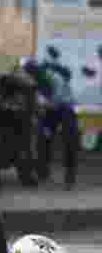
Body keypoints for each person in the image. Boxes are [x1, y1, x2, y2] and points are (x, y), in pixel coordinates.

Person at [28, 47, 81, 189]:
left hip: (65, 108)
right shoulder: (34, 82)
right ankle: (42, 172)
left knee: (70, 137)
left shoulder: (54, 75)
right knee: (42, 137)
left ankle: (70, 175)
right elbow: (37, 104)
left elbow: (66, 75)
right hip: (49, 111)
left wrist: (52, 67)